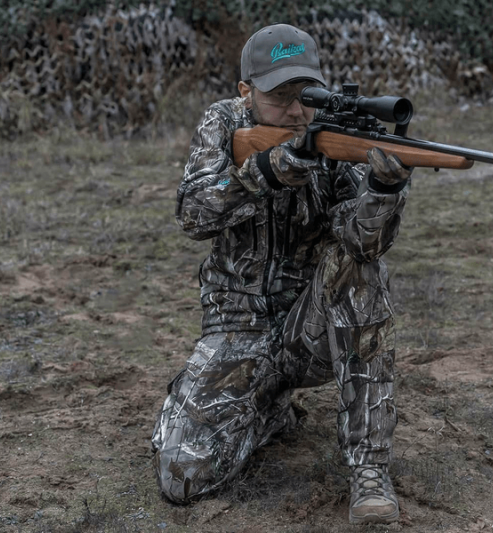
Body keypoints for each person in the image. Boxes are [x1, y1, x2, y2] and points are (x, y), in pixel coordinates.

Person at [150, 23, 411, 525]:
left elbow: (363, 243)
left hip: (310, 331)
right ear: (246, 92)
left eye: (306, 94)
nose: (296, 110)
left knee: (353, 268)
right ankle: (268, 410)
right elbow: (193, 215)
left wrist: (382, 191)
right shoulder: (224, 123)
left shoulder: (335, 132)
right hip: (235, 329)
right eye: (280, 96)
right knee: (182, 476)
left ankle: (370, 472)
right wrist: (266, 172)